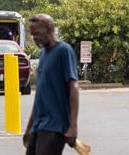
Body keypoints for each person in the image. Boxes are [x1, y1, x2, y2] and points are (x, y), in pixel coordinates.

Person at [23, 14, 80, 155]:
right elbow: (40, 96)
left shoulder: (63, 51)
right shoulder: (43, 54)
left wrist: (73, 126)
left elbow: (73, 88)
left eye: (37, 33)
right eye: (32, 34)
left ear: (49, 29)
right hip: (39, 125)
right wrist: (30, 127)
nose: (34, 37)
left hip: (54, 126)